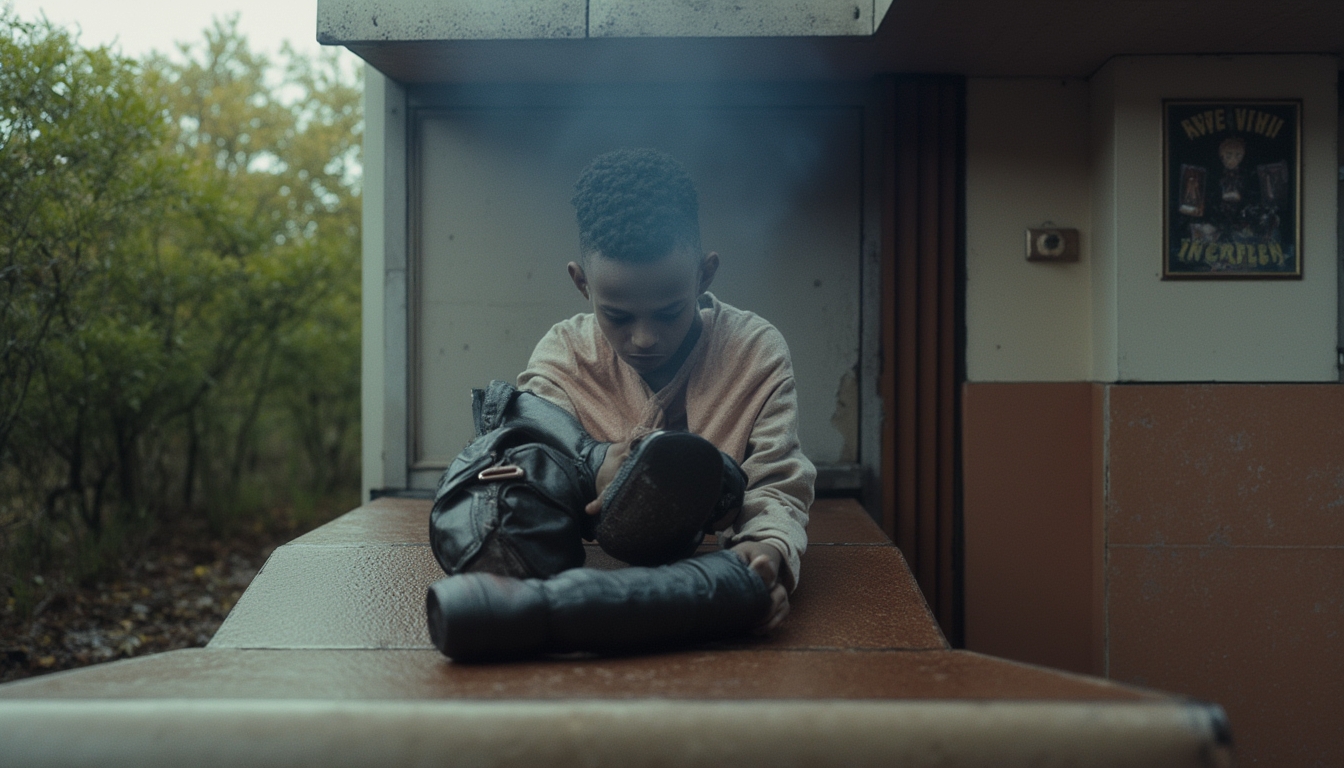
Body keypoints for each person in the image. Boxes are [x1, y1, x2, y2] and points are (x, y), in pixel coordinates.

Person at [517, 148, 815, 632]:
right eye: (617, 316)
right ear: (582, 283)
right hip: (589, 596)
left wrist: (767, 549)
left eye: (670, 312)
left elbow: (777, 481)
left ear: (705, 274)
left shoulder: (753, 352)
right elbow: (528, 472)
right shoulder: (562, 359)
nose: (644, 338)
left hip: (710, 590)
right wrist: (591, 467)